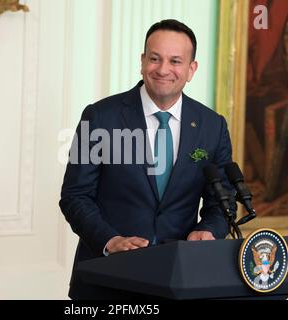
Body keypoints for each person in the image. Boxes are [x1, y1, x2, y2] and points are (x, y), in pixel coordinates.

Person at [59, 19, 234, 300]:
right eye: (155, 58)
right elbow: (75, 195)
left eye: (175, 61)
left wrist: (209, 231)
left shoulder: (212, 126)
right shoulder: (100, 117)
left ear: (191, 69)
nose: (163, 69)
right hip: (106, 282)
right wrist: (110, 240)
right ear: (142, 61)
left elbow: (222, 202)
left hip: (180, 281)